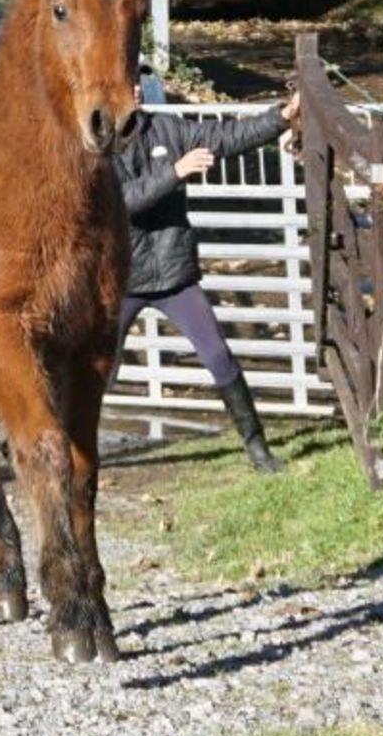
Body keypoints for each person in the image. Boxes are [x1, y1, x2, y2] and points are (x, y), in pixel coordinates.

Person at [112, 85, 301, 471]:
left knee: (218, 355)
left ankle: (258, 450)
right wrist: (175, 172)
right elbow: (120, 201)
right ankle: (71, 448)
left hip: (174, 275)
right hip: (120, 278)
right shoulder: (95, 144)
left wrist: (281, 116)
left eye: (136, 80)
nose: (133, 88)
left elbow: (228, 137)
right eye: (125, 81)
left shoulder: (166, 127)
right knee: (100, 370)